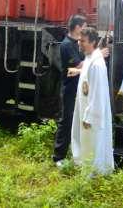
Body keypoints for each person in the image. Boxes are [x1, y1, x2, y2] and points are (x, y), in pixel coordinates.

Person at [71, 27, 114, 175]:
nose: (79, 43)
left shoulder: (97, 63)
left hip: (92, 114)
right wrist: (78, 71)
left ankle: (94, 173)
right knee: (87, 142)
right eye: (78, 40)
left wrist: (89, 116)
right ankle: (88, 170)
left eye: (83, 41)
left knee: (94, 142)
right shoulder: (90, 58)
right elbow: (87, 74)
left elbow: (97, 93)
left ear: (93, 42)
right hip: (85, 108)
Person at [52, 14, 87, 165]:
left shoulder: (77, 43)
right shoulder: (67, 45)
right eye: (84, 27)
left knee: (76, 121)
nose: (85, 30)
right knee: (66, 120)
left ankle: (75, 155)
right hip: (69, 88)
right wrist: (97, 57)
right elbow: (79, 66)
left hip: (77, 87)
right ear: (78, 27)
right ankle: (58, 157)